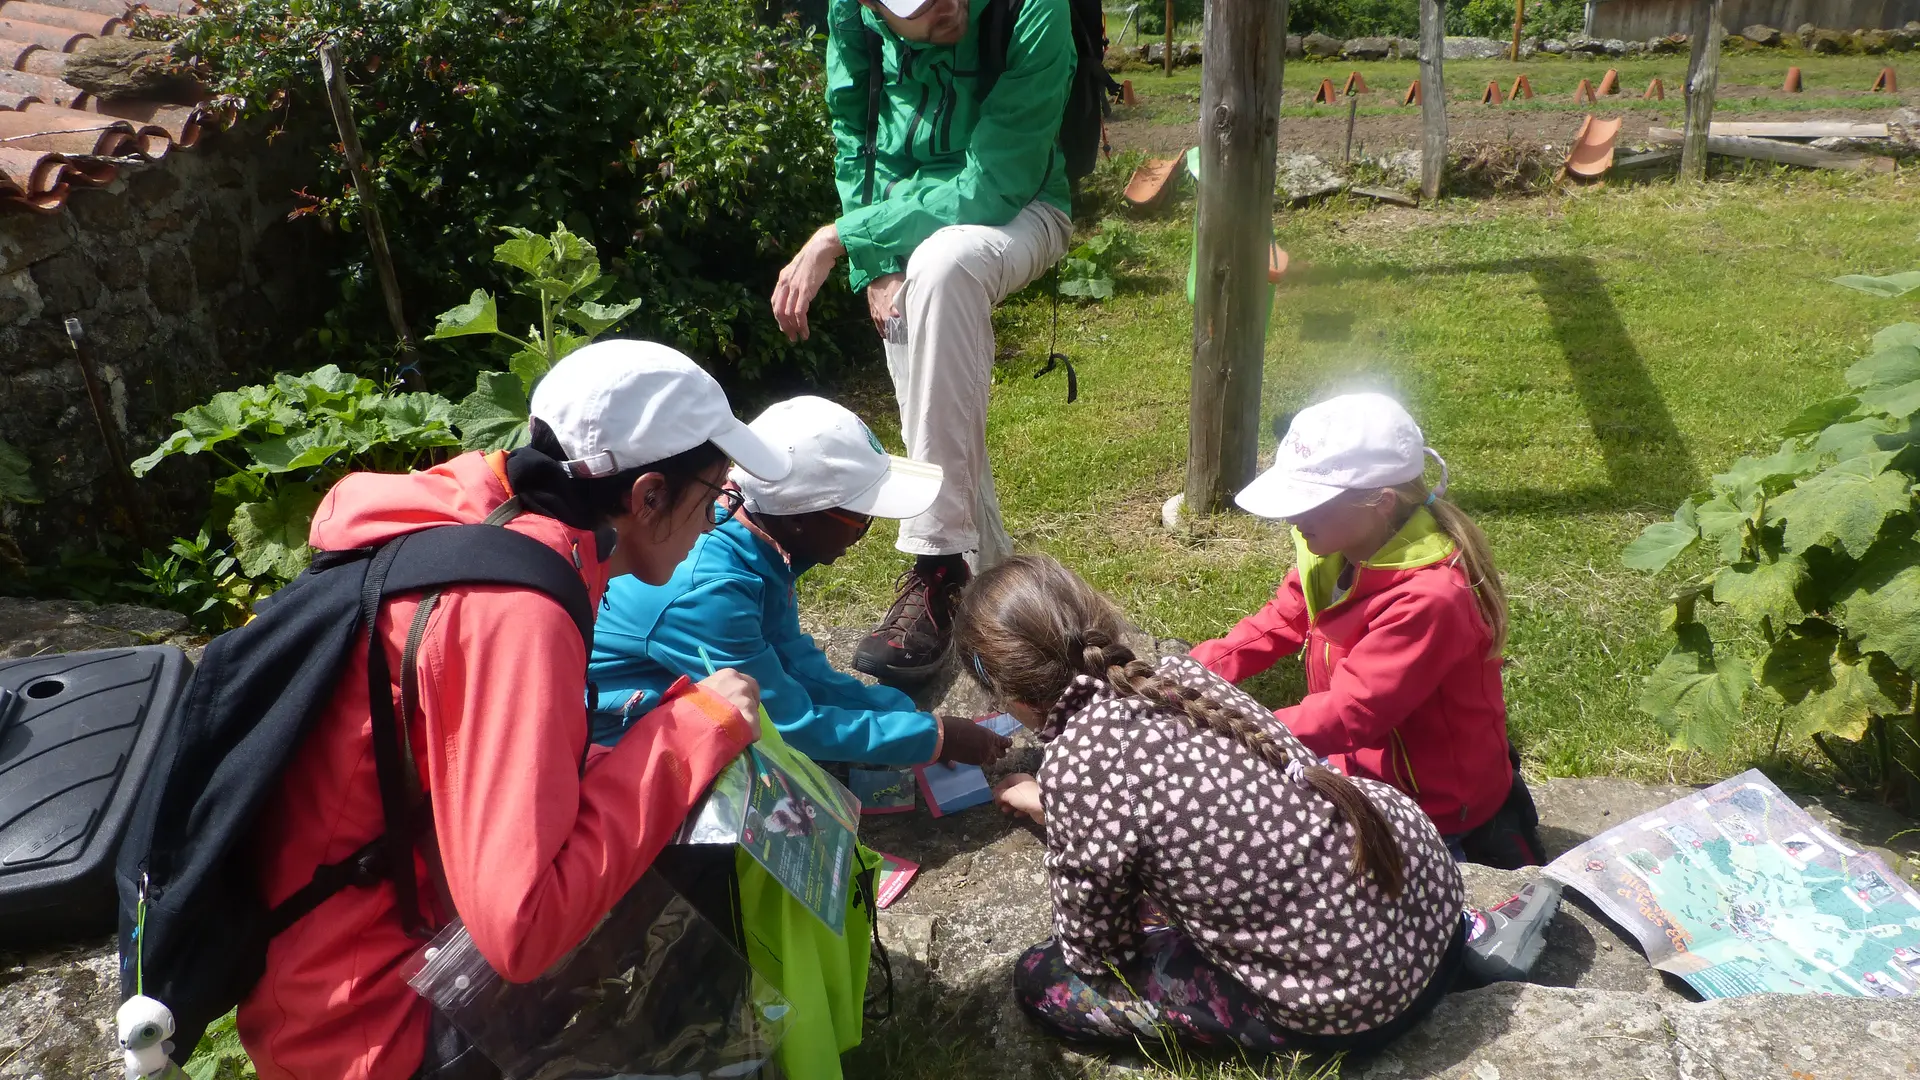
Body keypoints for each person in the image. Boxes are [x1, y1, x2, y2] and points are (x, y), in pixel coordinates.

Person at [238, 340, 792, 1080]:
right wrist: (691, 731)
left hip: (325, 969)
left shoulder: (484, 511)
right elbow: (520, 932)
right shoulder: (515, 611)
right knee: (701, 819)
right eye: (715, 493)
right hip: (374, 1026)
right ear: (649, 496)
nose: (716, 517)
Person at [952, 554, 1475, 1053]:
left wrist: (1066, 811)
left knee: (1041, 979)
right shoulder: (1181, 677)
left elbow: (1099, 952)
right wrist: (1060, 807)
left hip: (1357, 1002)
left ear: (1011, 695)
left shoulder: (1078, 766)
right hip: (1431, 908)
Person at [770, 0, 1076, 686]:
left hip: (1024, 205)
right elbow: (855, 138)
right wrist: (878, 261)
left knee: (942, 265)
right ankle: (1001, 600)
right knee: (936, 402)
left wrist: (846, 238)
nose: (946, 6)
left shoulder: (1033, 7)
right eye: (918, 4)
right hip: (902, 229)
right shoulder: (852, 16)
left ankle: (936, 565)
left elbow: (996, 181)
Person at [1189, 393, 1545, 869]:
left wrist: (1231, 729)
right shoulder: (1337, 547)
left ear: (1380, 502)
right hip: (1357, 765)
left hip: (1431, 803)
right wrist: (1187, 675)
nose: (1291, 517)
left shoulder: (1431, 598)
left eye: (1308, 502)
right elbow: (1277, 623)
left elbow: (1351, 713)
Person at [590, 396, 1010, 770]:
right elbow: (784, 723)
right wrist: (932, 739)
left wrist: (910, 720)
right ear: (800, 519)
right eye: (861, 520)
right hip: (618, 742)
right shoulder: (707, 592)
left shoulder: (759, 543)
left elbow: (793, 663)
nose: (863, 534)